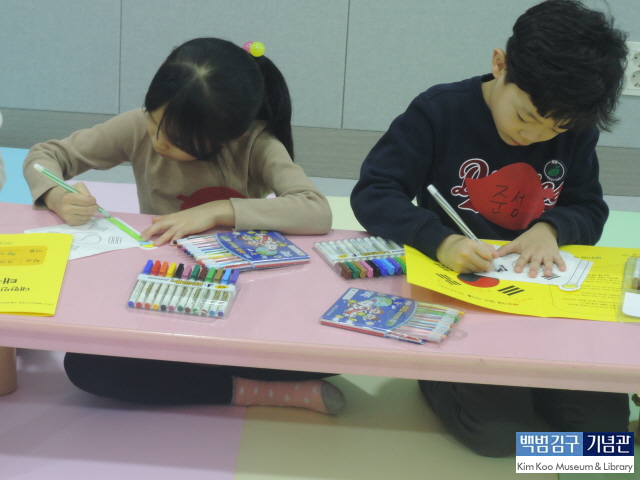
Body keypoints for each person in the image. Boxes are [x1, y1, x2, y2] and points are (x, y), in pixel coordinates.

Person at [351, 0, 629, 455]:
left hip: (543, 306)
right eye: (525, 117)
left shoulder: (574, 126)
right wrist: (440, 241)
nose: (533, 137)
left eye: (554, 130)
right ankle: (437, 375)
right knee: (499, 436)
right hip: (461, 299)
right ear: (500, 65)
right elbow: (374, 192)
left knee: (608, 433)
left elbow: (589, 207)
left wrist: (551, 229)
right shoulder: (439, 111)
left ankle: (539, 411)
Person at [23, 37, 345, 415]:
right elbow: (46, 156)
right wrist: (57, 196)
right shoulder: (137, 128)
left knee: (338, 353)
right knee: (86, 367)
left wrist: (218, 211)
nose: (159, 142)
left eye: (178, 141)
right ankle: (246, 389)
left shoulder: (254, 144)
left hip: (239, 300)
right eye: (153, 122)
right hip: (158, 291)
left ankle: (204, 370)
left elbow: (315, 210)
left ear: (230, 136)